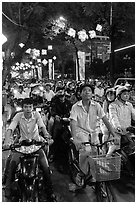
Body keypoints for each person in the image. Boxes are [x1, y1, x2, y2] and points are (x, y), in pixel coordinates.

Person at [3, 98, 56, 201]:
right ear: (23, 108)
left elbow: (42, 127)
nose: (28, 109)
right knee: (12, 165)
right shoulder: (18, 116)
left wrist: (47, 136)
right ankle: (7, 188)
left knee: (46, 168)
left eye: (30, 107)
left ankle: (50, 191)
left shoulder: (36, 115)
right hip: (22, 146)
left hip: (36, 145)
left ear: (33, 108)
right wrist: (6, 141)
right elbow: (11, 128)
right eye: (26, 107)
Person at [69, 83, 118, 185]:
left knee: (97, 153)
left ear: (92, 93)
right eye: (84, 90)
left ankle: (93, 173)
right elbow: (73, 123)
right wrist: (75, 139)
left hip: (94, 132)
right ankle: (81, 174)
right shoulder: (75, 107)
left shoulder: (97, 105)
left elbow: (105, 120)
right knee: (86, 151)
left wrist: (114, 134)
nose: (87, 92)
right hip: (81, 132)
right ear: (80, 93)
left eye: (89, 90)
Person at [48, 87, 72, 172]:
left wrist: (69, 116)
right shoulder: (55, 101)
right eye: (60, 96)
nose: (62, 98)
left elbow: (71, 110)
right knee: (55, 134)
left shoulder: (68, 103)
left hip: (66, 119)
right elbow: (53, 111)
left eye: (63, 96)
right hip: (57, 119)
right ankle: (52, 152)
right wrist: (56, 116)